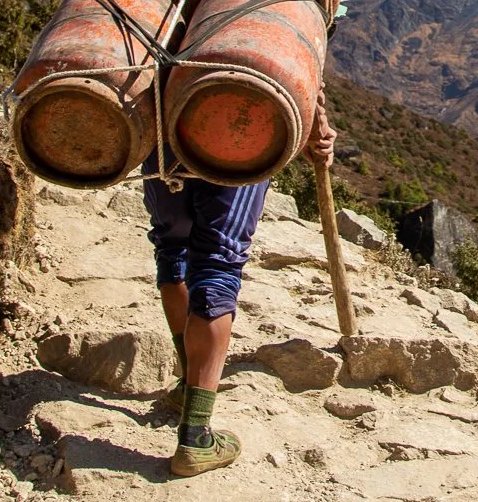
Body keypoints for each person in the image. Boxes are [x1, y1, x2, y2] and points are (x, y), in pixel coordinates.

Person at [144, 86, 336, 477]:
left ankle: (188, 386)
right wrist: (311, 127)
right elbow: (303, 71)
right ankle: (195, 437)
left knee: (172, 248)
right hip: (242, 125)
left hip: (162, 124)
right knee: (218, 264)